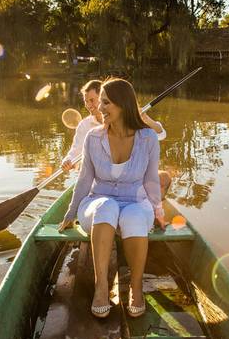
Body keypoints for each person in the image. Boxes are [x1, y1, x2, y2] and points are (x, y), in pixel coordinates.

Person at [58, 78, 166, 319]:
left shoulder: (148, 138)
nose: (100, 108)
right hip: (97, 202)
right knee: (106, 207)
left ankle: (136, 288)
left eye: (106, 103)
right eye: (100, 102)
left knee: (135, 215)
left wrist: (158, 211)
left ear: (123, 104)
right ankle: (101, 287)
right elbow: (84, 180)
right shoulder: (92, 137)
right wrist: (70, 212)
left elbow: (151, 180)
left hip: (135, 201)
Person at [62, 80, 172, 197]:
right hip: (101, 179)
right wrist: (67, 161)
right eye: (86, 101)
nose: (89, 105)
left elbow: (161, 134)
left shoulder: (126, 119)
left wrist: (145, 119)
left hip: (128, 175)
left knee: (164, 179)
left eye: (92, 100)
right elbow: (75, 150)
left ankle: (149, 202)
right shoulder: (85, 125)